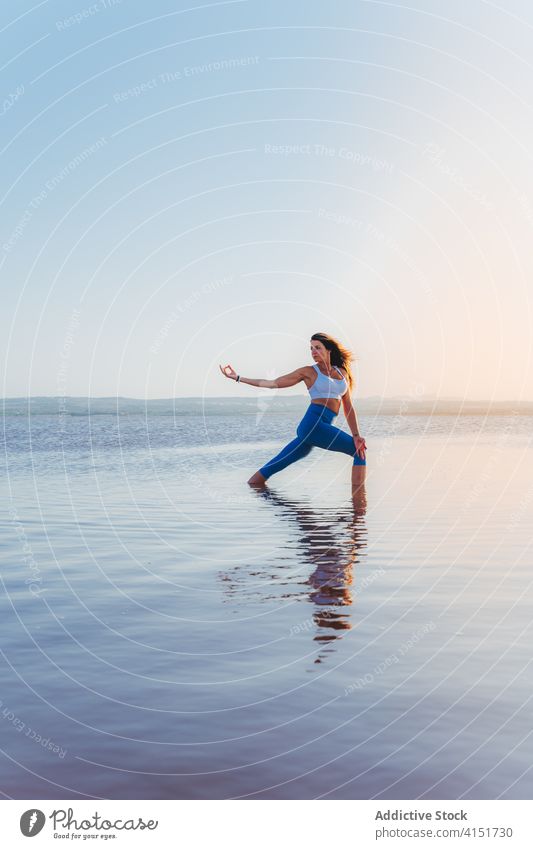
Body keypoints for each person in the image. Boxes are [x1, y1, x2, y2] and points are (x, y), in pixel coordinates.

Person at [219, 332, 367, 497]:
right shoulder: (308, 372)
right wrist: (238, 377)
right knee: (359, 451)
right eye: (311, 348)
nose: (313, 351)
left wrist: (356, 435)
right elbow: (272, 384)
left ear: (329, 350)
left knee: (269, 470)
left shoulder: (341, 373)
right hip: (312, 425)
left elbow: (348, 407)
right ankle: (359, 508)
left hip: (319, 427)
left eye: (317, 348)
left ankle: (253, 491)